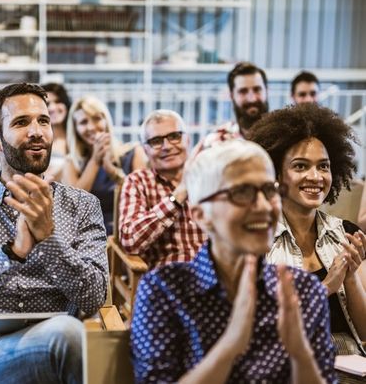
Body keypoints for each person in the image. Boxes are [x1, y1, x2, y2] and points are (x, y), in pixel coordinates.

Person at [0, 83, 108, 383]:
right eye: (21, 122)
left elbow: (93, 297)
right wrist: (12, 254)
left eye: (44, 121)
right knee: (67, 336)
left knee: (71, 338)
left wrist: (49, 239)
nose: (37, 131)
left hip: (59, 349)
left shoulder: (83, 206)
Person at [131, 139, 336, 383]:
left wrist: (300, 354)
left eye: (269, 191)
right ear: (200, 215)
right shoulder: (163, 290)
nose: (262, 206)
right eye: (242, 192)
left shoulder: (303, 291)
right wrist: (231, 345)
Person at [249, 104, 366, 362]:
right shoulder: (256, 241)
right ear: (277, 174)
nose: (315, 176)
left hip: (348, 364)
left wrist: (350, 280)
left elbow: (365, 330)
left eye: (323, 166)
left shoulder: (346, 235)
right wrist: (325, 288)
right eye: (301, 166)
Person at [118, 110, 205, 269]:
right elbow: (130, 240)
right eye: (156, 141)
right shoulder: (138, 182)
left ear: (188, 140)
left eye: (174, 136)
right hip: (169, 279)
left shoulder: (209, 176)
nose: (167, 146)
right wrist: (178, 196)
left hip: (218, 276)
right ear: (145, 150)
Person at [62, 95, 145, 234]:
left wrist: (113, 172)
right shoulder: (72, 162)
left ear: (106, 120)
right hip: (88, 238)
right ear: (75, 129)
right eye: (83, 122)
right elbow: (74, 204)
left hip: (126, 234)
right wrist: (95, 160)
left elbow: (142, 197)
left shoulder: (133, 152)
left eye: (96, 118)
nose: (91, 127)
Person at [203, 62, 269, 147]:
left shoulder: (282, 138)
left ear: (266, 91)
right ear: (231, 95)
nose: (251, 99)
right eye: (243, 91)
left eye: (257, 90)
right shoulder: (217, 142)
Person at [42, 82, 70, 181]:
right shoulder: (38, 143)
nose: (53, 108)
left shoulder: (79, 138)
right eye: (47, 104)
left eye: (58, 101)